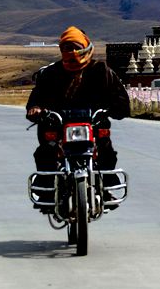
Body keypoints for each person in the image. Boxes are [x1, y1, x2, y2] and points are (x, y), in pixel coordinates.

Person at [25, 26, 130, 212]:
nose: (70, 52)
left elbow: (120, 98)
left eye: (74, 47)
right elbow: (37, 96)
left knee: (106, 150)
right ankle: (48, 191)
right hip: (58, 124)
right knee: (45, 151)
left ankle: (107, 187)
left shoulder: (101, 71)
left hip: (94, 124)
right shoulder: (50, 74)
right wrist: (35, 108)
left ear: (84, 46)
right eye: (65, 48)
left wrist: (115, 109)